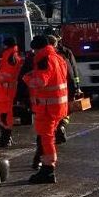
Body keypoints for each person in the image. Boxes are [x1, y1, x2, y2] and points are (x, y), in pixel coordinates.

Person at [22, 34, 69, 184]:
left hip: (47, 107)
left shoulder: (44, 59)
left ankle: (48, 170)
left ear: (38, 48)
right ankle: (47, 168)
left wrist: (27, 78)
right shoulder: (58, 58)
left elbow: (40, 82)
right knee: (48, 138)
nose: (34, 53)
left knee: (46, 138)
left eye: (34, 50)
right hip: (58, 106)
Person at [0, 37, 24, 147]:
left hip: (5, 91)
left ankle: (6, 138)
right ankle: (5, 137)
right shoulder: (11, 55)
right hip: (5, 91)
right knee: (3, 114)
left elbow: (6, 74)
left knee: (4, 115)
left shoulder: (10, 57)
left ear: (6, 45)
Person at [53, 34, 82, 144]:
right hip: (66, 87)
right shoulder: (66, 52)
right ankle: (61, 126)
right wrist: (77, 87)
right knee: (65, 110)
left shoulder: (44, 54)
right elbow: (73, 70)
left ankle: (58, 128)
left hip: (54, 90)